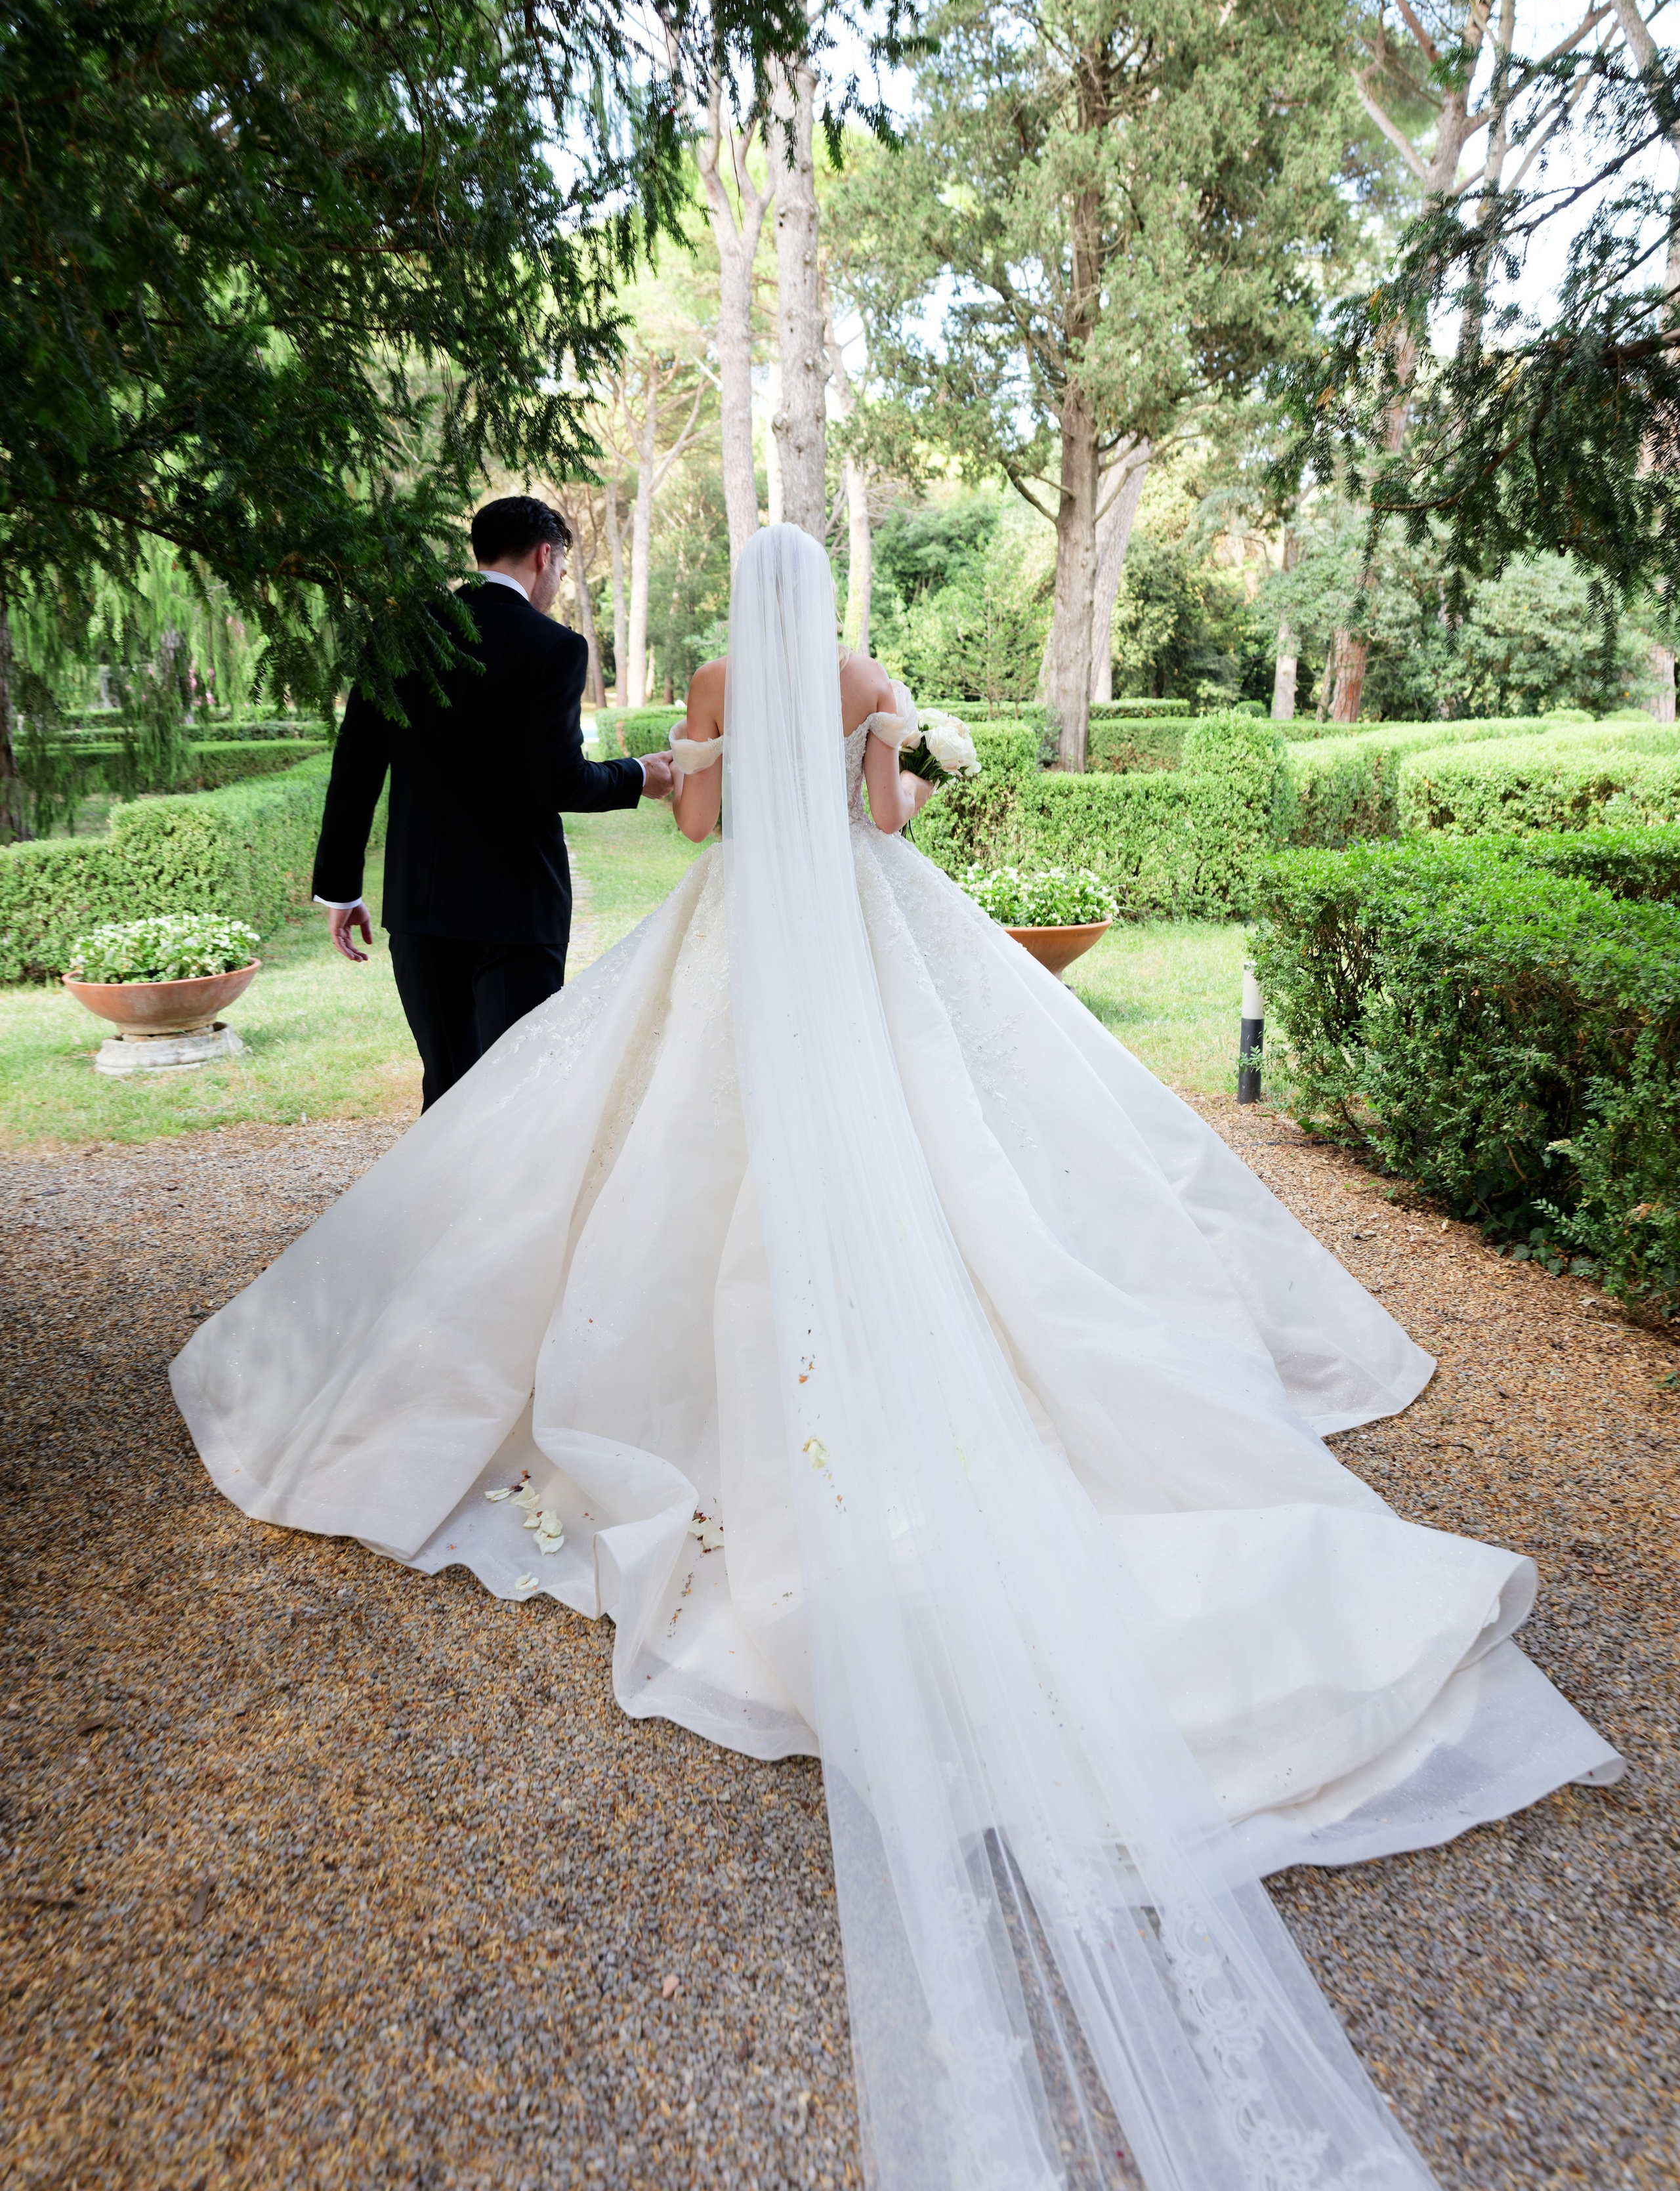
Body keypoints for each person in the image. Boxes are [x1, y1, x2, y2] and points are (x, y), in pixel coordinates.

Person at [174, 528, 1618, 2189]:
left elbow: (699, 826)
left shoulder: (709, 681)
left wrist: (708, 772)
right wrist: (903, 749)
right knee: (978, 1165)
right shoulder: (864, 676)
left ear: (743, 606)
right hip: (862, 942)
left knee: (637, 1154)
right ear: (830, 605)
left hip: (736, 943)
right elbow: (886, 822)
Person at [311, 493, 674, 1108]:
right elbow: (558, 782)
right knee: (516, 1094)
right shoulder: (554, 647)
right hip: (517, 911)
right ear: (544, 556)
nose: (556, 585)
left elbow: (355, 768)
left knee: (447, 1086)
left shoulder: (402, 638)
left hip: (422, 909)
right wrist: (639, 775)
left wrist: (341, 890)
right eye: (561, 570)